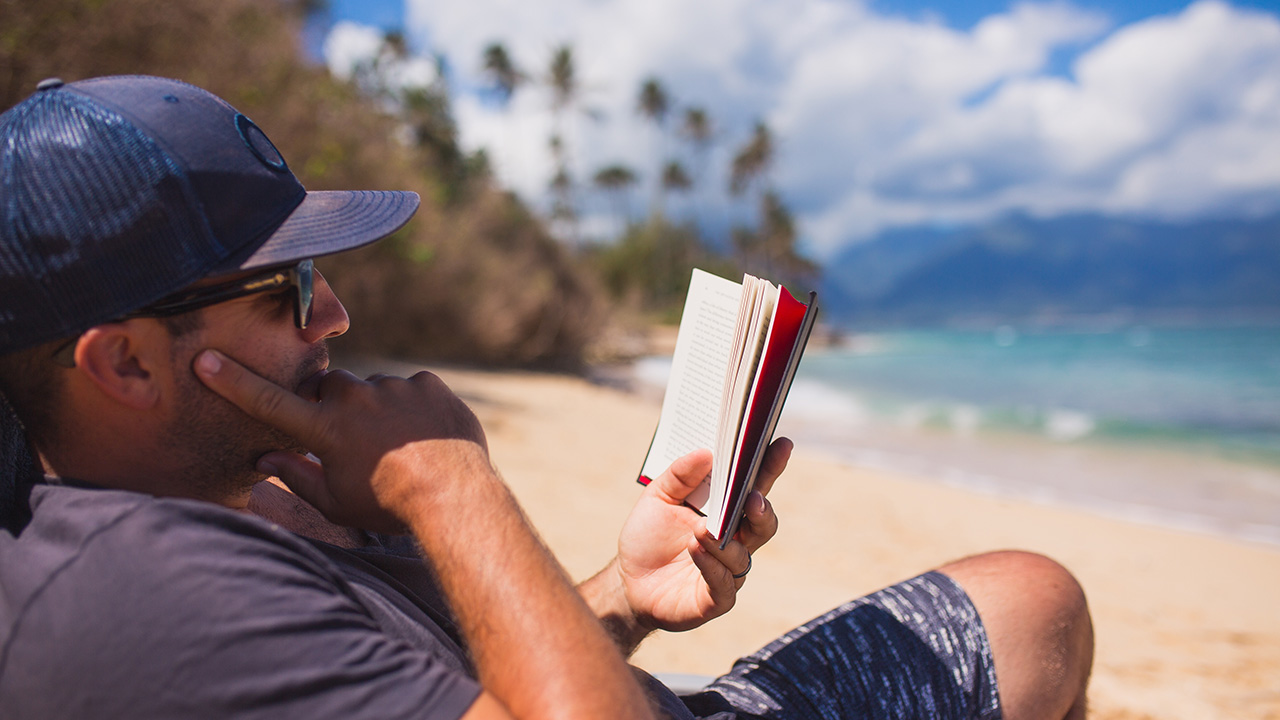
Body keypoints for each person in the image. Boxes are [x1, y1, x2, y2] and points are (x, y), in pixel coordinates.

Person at [0, 75, 1093, 720]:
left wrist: (620, 593)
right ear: (125, 364)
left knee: (1024, 599)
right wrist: (446, 482)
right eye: (286, 287)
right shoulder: (140, 591)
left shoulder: (229, 491)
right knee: (1033, 601)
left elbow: (447, 685)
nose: (332, 315)